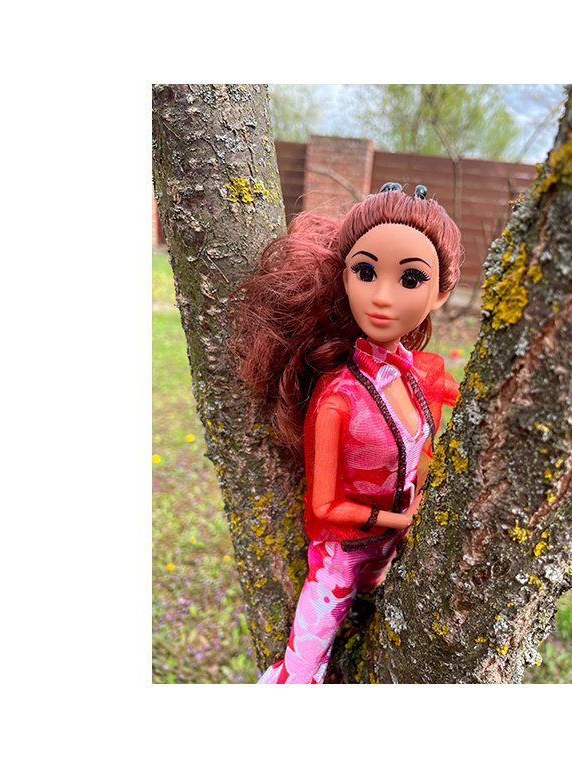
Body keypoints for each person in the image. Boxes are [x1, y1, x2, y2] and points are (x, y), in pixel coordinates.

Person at [231, 182, 463, 684]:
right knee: (302, 668)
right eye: (365, 272)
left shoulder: (419, 379)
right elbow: (323, 507)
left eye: (410, 279)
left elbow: (422, 455)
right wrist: (400, 519)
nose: (381, 296)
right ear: (345, 278)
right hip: (342, 559)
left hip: (391, 556)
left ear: (441, 293)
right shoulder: (338, 396)